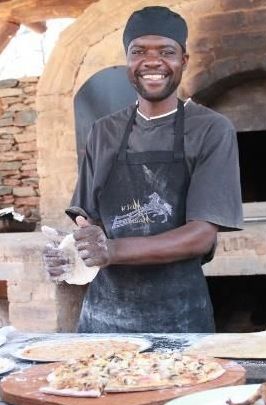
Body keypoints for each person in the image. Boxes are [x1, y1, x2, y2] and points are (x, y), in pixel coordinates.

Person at [43, 5, 243, 333]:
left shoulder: (210, 129)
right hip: (103, 320)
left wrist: (113, 249)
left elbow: (201, 236)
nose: (152, 61)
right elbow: (88, 221)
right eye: (139, 51)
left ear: (184, 61)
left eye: (166, 51)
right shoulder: (103, 131)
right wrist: (69, 254)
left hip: (179, 319)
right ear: (128, 61)